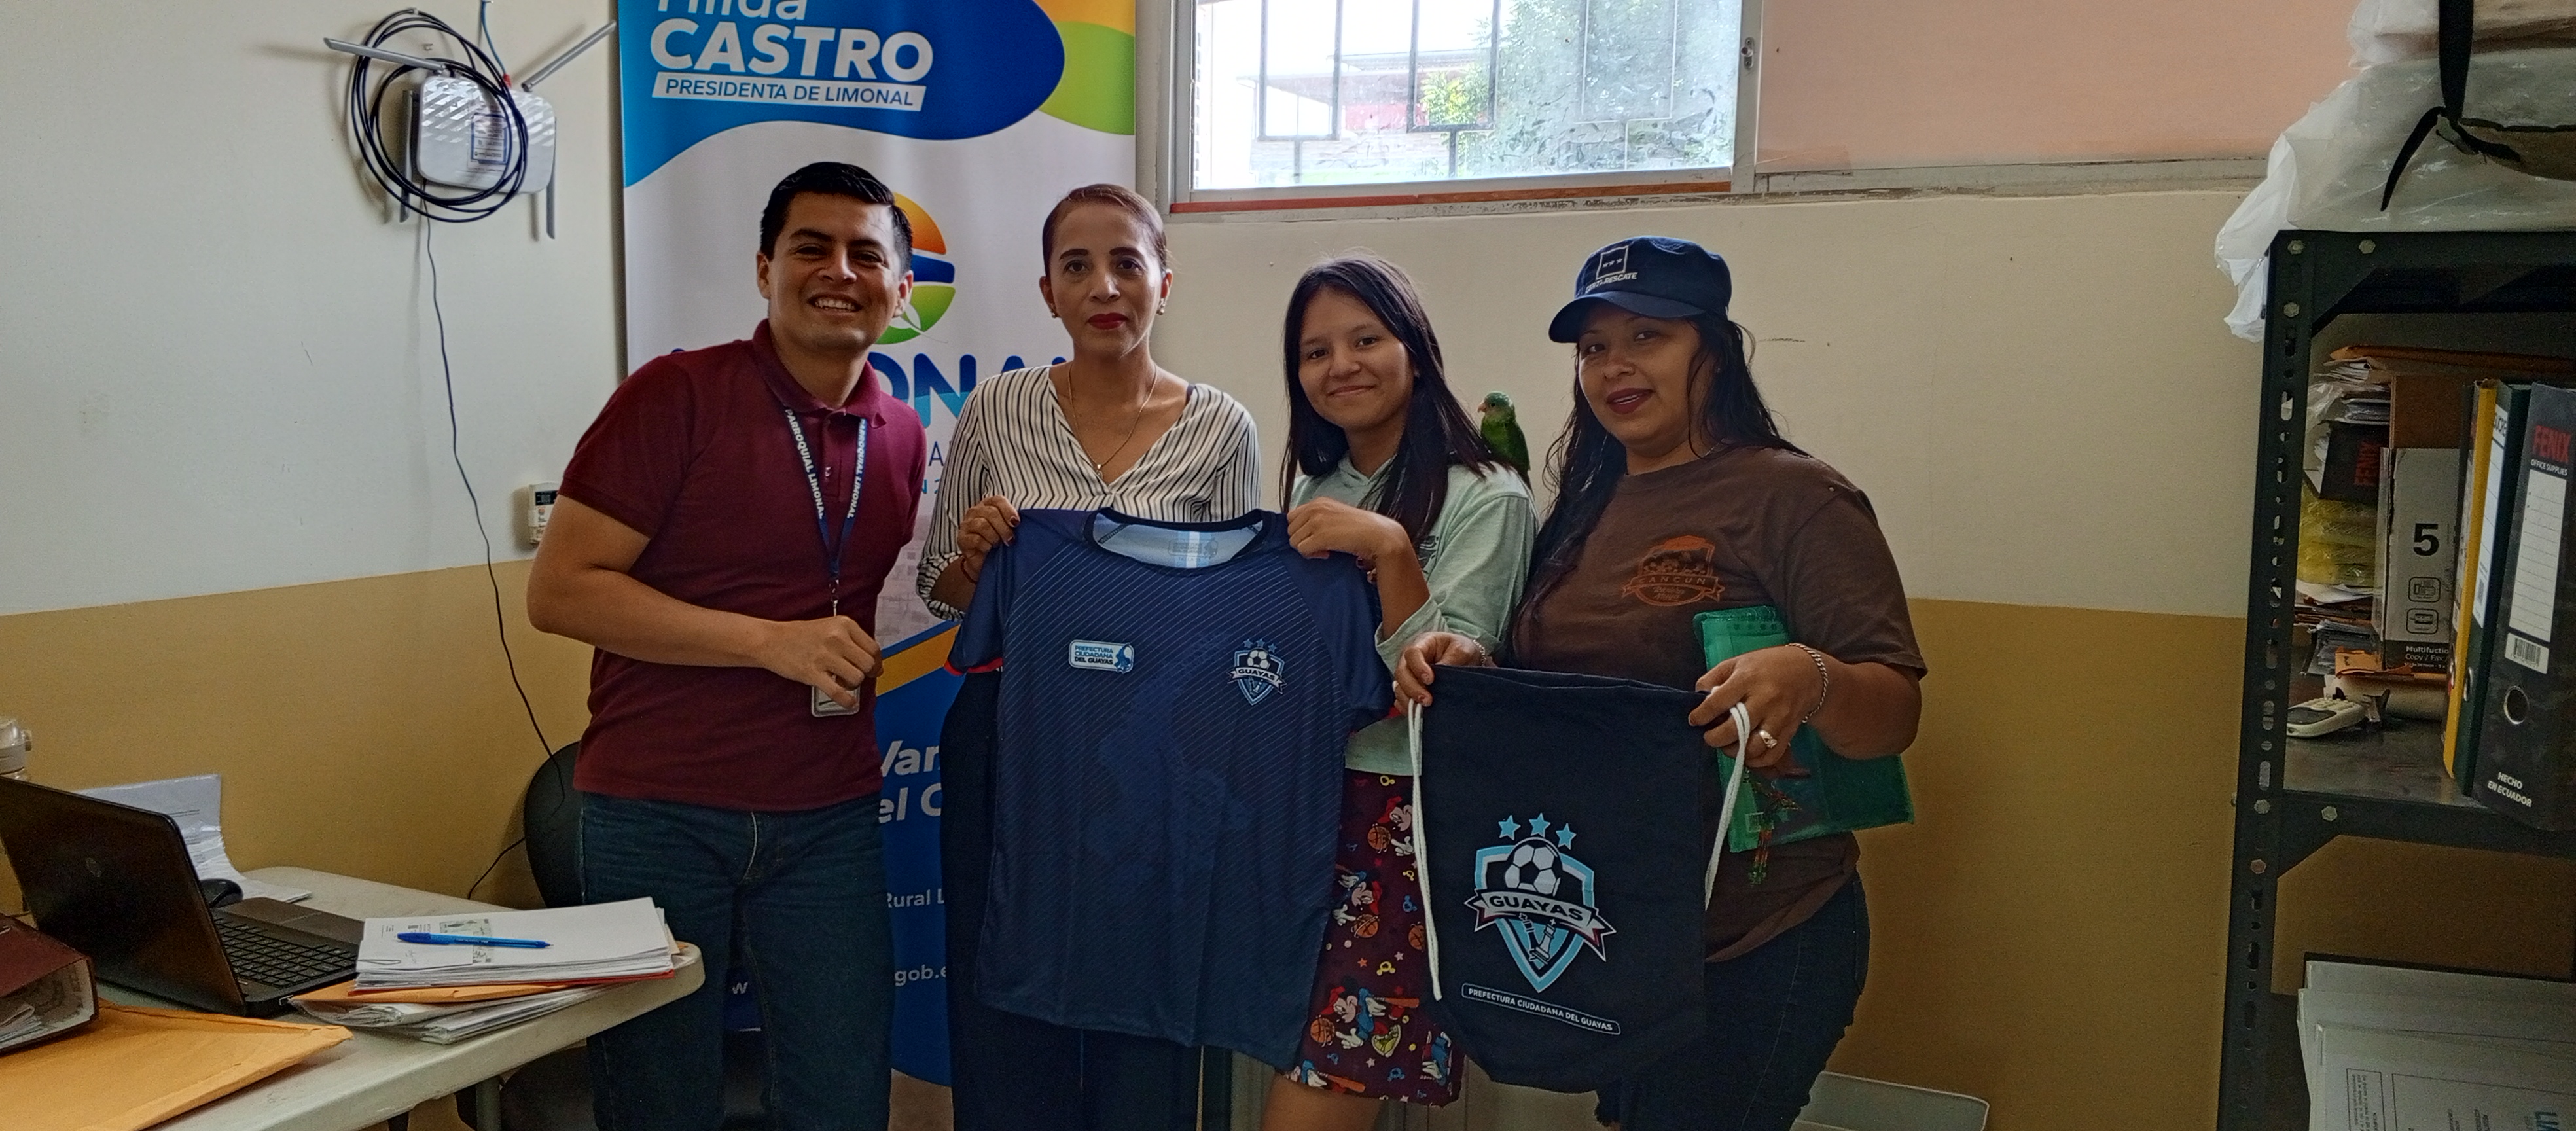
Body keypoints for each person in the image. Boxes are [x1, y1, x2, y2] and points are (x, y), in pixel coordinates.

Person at [1398, 237, 1925, 1131]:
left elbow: (1895, 713)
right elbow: (1581, 694)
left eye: (1648, 336)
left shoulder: (1797, 498)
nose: (1615, 367)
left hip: (1756, 938)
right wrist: (1479, 671)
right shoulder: (1585, 503)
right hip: (1618, 925)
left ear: (1714, 350)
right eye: (1594, 347)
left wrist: (1814, 675)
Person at [526, 162, 929, 1131]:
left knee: (842, 1097)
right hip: (658, 811)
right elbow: (560, 590)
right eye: (810, 248)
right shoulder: (676, 395)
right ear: (763, 270)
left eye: (867, 254)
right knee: (658, 1100)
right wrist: (766, 644)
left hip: (828, 816)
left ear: (902, 287)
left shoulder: (904, 433)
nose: (840, 272)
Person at [920, 183, 1261, 1131]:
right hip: (1013, 733)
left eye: (1126, 263)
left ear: (1164, 282)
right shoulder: (997, 410)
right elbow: (941, 588)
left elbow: (1236, 604)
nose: (1104, 286)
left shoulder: (1221, 426)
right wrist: (979, 560)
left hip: (1157, 748)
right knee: (1001, 990)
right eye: (1077, 266)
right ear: (1048, 292)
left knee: (1147, 996)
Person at [1262, 255, 1533, 1127]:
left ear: (1415, 347)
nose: (1340, 366)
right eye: (1315, 352)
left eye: (1366, 340)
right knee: (1291, 1042)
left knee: (1333, 1070)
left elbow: (1449, 688)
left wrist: (1390, 549)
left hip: (1402, 813)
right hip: (1301, 803)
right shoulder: (1314, 487)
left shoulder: (1489, 494)